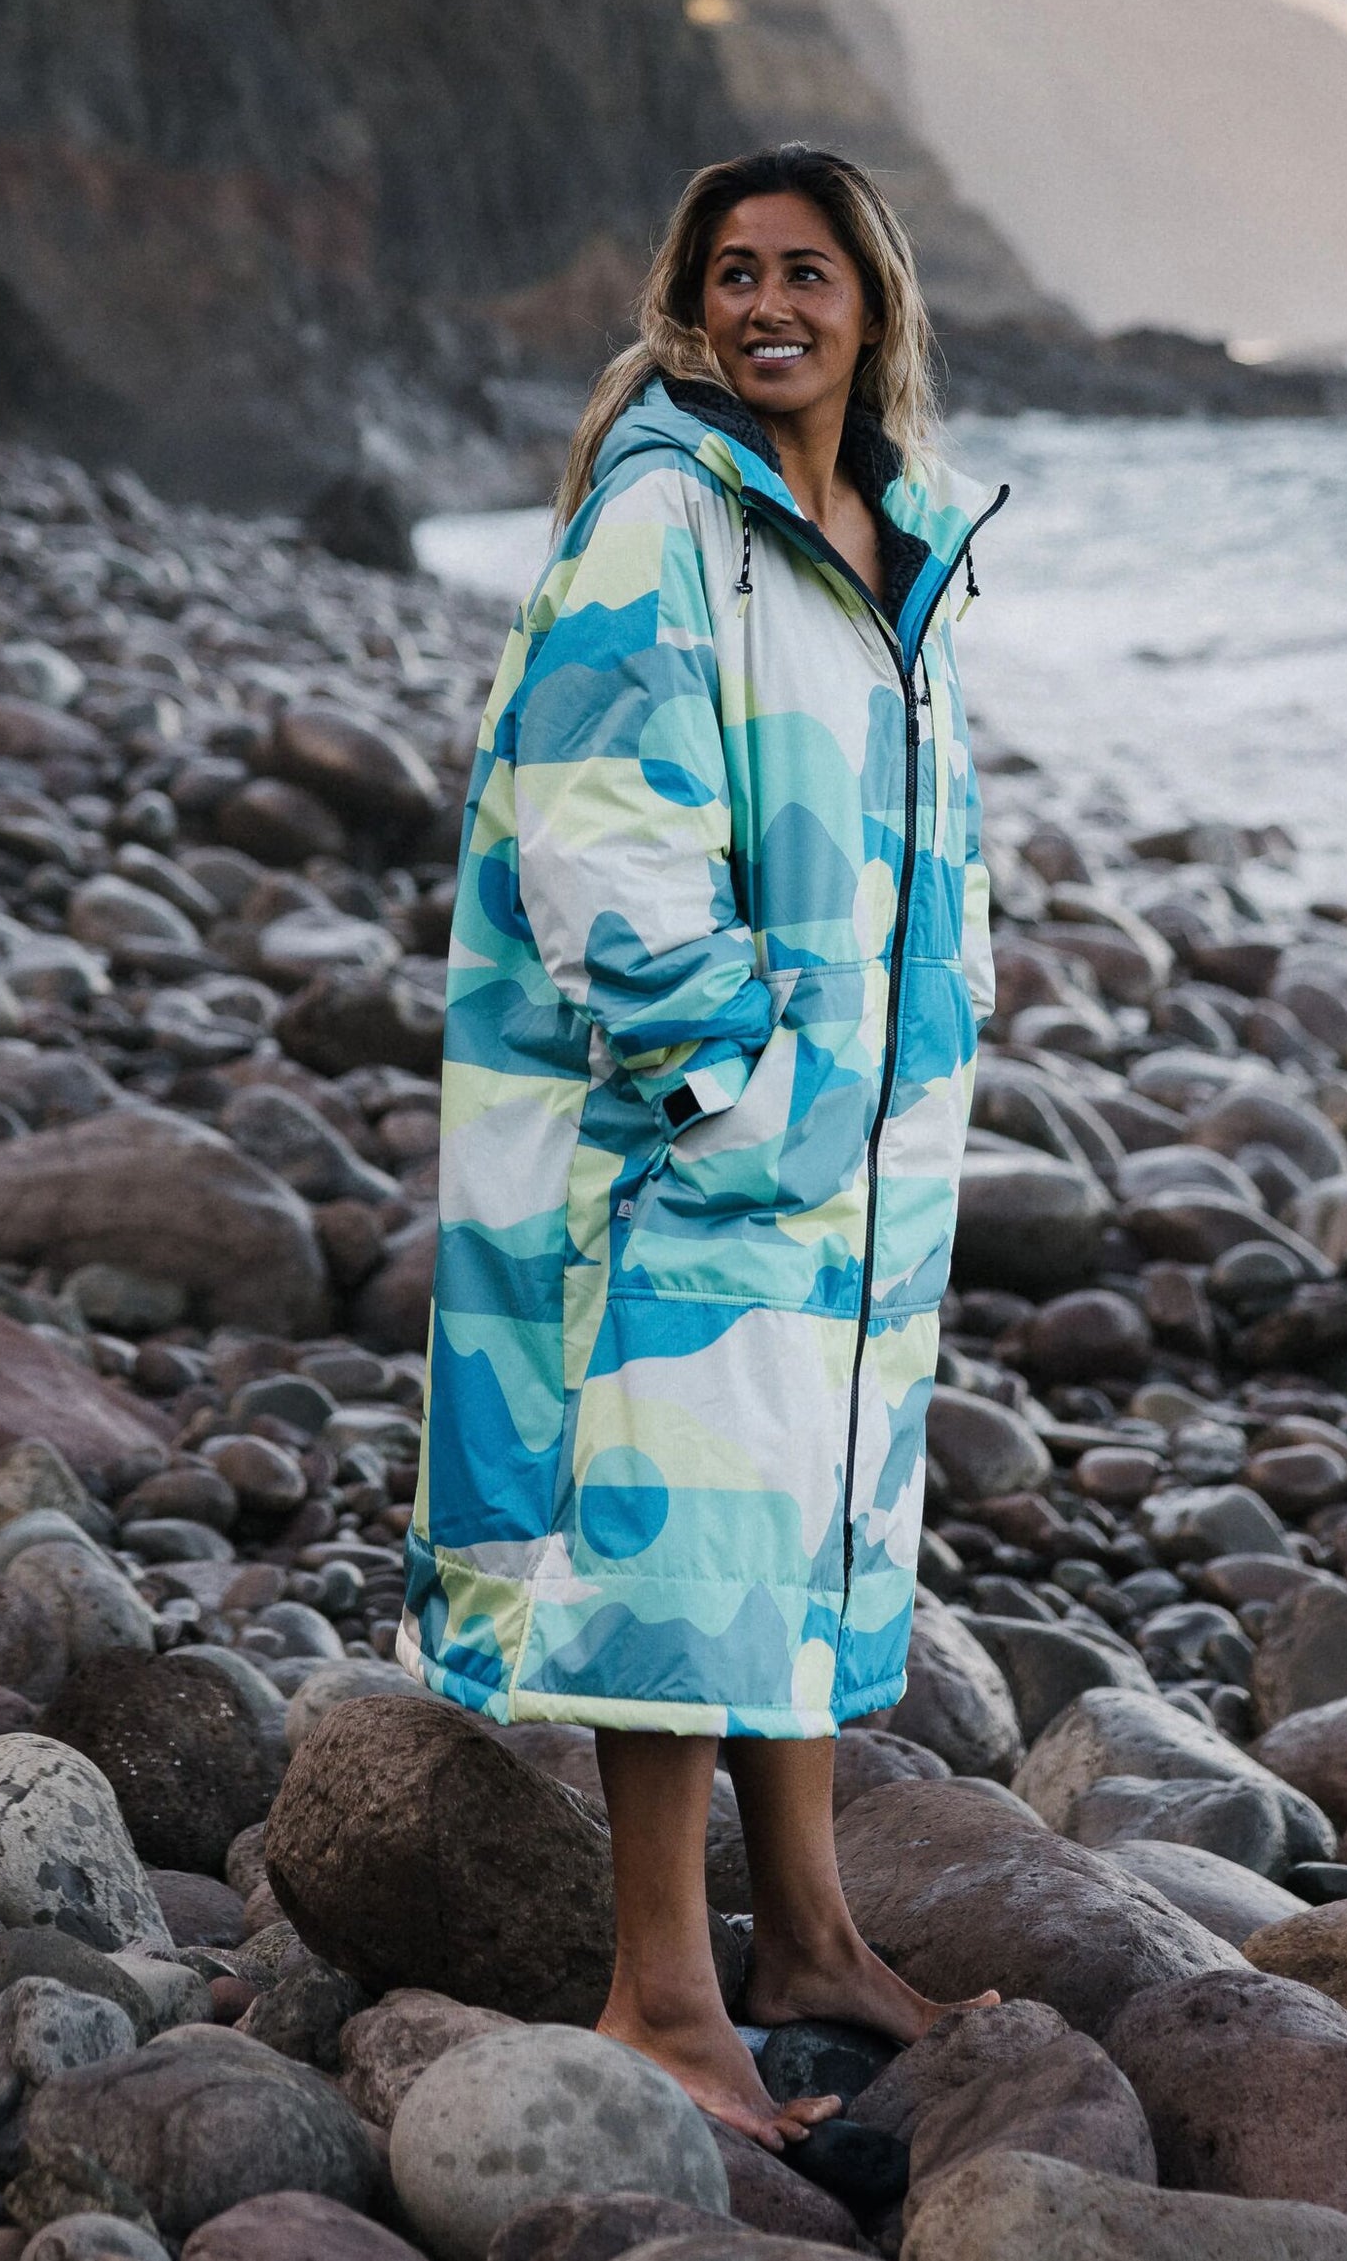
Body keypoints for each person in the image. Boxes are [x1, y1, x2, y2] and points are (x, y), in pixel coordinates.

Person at [398, 145, 1007, 2147]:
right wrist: (724, 1089)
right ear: (689, 301)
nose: (768, 304)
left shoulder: (895, 527)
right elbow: (596, 821)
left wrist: (927, 1042)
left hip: (853, 1134)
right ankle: (662, 1995)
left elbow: (922, 819)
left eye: (806, 271)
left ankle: (808, 1936)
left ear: (871, 302)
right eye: (733, 271)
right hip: (698, 1126)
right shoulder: (662, 513)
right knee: (669, 1537)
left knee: (789, 1515)